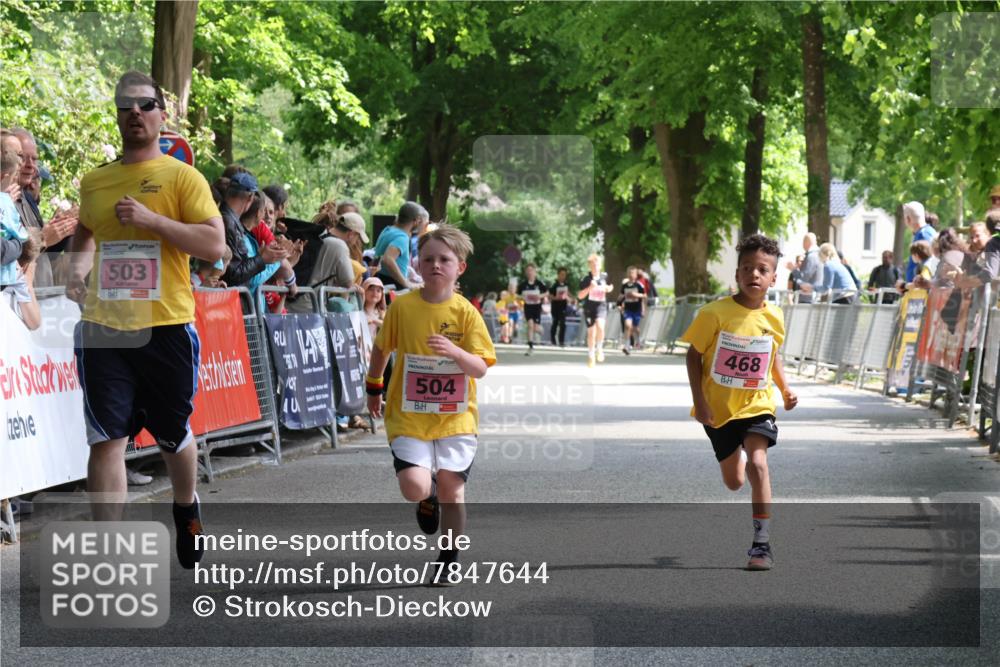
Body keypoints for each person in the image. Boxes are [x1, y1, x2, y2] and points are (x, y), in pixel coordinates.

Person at [66, 71, 226, 569]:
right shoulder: (94, 181)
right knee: (106, 436)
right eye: (125, 105)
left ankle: (186, 506)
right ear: (117, 115)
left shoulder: (183, 178)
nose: (135, 112)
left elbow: (215, 246)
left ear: (162, 115)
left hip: (166, 325)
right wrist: (76, 270)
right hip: (104, 326)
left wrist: (153, 220)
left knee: (172, 431)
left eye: (145, 104)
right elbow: (86, 234)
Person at [365, 224, 496, 579]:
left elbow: (480, 367)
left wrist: (454, 351)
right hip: (409, 414)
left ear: (460, 267)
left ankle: (449, 557)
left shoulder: (466, 313)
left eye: (444, 259)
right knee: (414, 487)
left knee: (454, 489)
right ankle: (427, 495)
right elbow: (381, 350)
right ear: (417, 266)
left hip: (455, 418)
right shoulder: (402, 307)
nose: (436, 265)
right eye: (428, 259)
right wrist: (374, 387)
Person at [680, 233, 797, 571]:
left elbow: (771, 356)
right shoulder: (714, 313)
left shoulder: (774, 316)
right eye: (747, 268)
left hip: (757, 404)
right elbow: (693, 357)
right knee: (734, 482)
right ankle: (738, 458)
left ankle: (761, 546)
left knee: (759, 463)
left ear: (774, 277)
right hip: (718, 410)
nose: (754, 275)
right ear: (737, 274)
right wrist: (699, 403)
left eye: (762, 269)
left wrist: (785, 389)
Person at [12, 128, 79, 287]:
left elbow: (45, 255)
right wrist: (43, 239)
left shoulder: (27, 198)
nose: (30, 165)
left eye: (34, 159)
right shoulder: (4, 201)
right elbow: (7, 258)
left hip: (39, 296)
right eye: (22, 157)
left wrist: (61, 229)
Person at [220, 172, 289, 291]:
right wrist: (262, 259)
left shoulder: (226, 218)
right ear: (250, 198)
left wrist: (259, 257)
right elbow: (233, 275)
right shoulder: (229, 223)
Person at [374, 201, 426, 291]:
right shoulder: (402, 237)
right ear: (417, 219)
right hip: (392, 285)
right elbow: (387, 259)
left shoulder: (387, 230)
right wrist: (406, 283)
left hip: (380, 280)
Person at [578, 253, 613, 367]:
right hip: (589, 307)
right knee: (591, 333)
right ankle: (591, 355)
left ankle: (599, 348)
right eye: (592, 265)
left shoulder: (605, 276)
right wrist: (590, 288)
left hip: (601, 306)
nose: (595, 267)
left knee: (600, 326)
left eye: (597, 264)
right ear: (589, 266)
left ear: (600, 265)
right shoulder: (586, 279)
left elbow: (611, 286)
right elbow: (580, 296)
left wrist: (608, 288)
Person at [902, 201, 937, 283]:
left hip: (921, 291)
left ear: (908, 219)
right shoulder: (923, 233)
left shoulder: (924, 235)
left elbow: (929, 266)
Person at [518, 263, 546, 355]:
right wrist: (523, 297)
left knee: (535, 327)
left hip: (537, 307)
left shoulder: (539, 283)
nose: (530, 272)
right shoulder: (523, 285)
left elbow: (547, 293)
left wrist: (539, 296)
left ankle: (540, 330)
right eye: (528, 271)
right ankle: (530, 345)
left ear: (535, 272)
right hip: (528, 307)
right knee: (530, 325)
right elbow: (518, 295)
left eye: (531, 270)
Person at [618, 265, 646, 354]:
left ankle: (638, 340)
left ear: (636, 275)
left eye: (632, 273)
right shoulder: (625, 285)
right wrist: (619, 304)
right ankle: (627, 346)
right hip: (628, 309)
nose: (630, 275)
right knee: (627, 325)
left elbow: (644, 296)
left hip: (637, 309)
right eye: (629, 273)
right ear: (627, 274)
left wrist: (635, 295)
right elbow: (621, 296)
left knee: (635, 328)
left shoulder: (639, 285)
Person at [548, 267, 570, 347]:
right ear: (558, 275)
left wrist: (571, 298)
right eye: (561, 274)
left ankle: (561, 341)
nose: (563, 276)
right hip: (555, 307)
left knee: (563, 323)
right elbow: (549, 296)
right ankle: (553, 340)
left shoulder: (566, 284)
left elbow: (568, 293)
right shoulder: (554, 285)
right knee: (555, 323)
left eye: (564, 275)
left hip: (563, 307)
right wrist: (555, 298)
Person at [798, 233, 822, 304]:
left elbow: (804, 277)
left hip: (808, 298)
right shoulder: (820, 254)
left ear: (806, 242)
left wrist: (794, 271)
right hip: (816, 296)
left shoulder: (811, 256)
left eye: (803, 241)